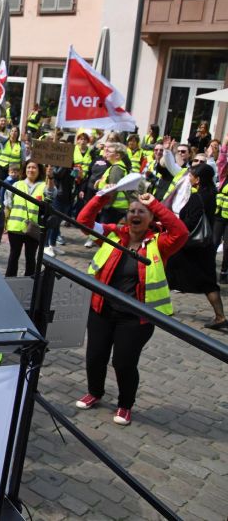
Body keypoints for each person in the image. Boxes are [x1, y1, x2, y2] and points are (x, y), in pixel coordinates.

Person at [76, 192, 188, 425]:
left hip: (136, 318)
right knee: (95, 356)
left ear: (151, 218)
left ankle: (125, 404)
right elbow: (84, 223)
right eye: (131, 211)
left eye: (141, 211)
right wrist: (102, 196)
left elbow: (181, 232)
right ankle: (94, 392)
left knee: (124, 362)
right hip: (101, 310)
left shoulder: (160, 243)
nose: (135, 214)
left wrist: (154, 203)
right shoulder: (113, 235)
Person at [166, 164, 227, 331]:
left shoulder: (197, 197)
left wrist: (175, 226)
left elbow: (191, 222)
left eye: (191, 175)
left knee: (166, 268)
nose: (189, 177)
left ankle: (157, 304)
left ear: (198, 179)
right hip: (205, 245)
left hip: (191, 245)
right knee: (208, 282)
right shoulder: (213, 194)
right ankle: (220, 316)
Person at [4, 160, 45, 277]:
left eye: (34, 168)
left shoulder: (44, 186)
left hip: (34, 228)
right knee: (13, 256)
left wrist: (51, 177)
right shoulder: (17, 185)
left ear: (39, 170)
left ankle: (30, 282)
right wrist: (5, 222)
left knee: (31, 257)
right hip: (15, 227)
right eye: (28, 167)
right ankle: (10, 280)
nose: (31, 170)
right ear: (25, 169)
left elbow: (52, 195)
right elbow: (8, 205)